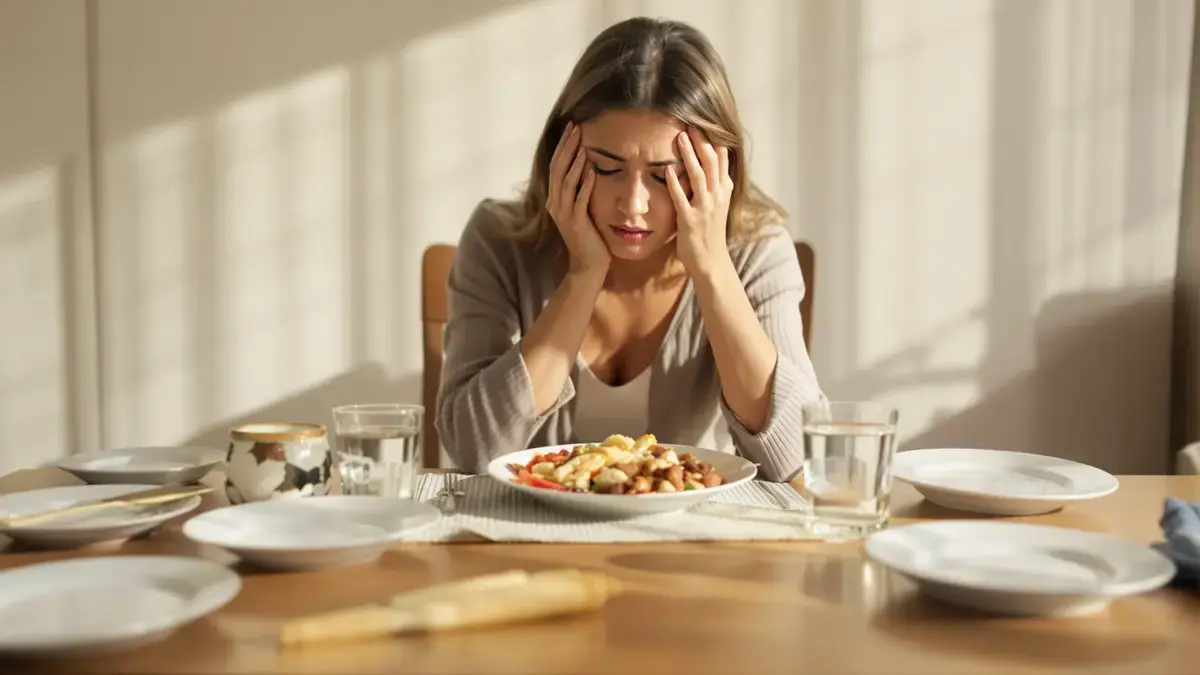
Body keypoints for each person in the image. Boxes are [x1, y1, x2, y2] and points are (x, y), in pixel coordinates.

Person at [435, 16, 825, 482]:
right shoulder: (498, 240)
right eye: (606, 167)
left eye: (665, 175)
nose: (633, 205)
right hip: (531, 542)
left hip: (701, 546)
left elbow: (800, 459)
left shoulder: (756, 251)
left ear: (718, 169)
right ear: (563, 152)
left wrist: (714, 268)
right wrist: (583, 275)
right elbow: (472, 451)